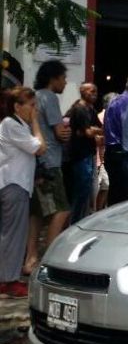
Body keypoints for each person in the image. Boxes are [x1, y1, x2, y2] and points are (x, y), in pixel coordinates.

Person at [25, 60, 71, 275]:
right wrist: (66, 131)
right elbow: (59, 132)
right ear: (53, 79)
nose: (65, 82)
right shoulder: (50, 97)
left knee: (37, 214)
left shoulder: (34, 97)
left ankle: (30, 258)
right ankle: (49, 259)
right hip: (51, 160)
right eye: (63, 78)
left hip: (36, 162)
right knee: (62, 209)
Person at [0, 87, 46, 298]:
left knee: (12, 233)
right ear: (17, 106)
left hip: (17, 184)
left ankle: (7, 277)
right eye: (32, 105)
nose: (34, 110)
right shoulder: (12, 124)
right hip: (14, 184)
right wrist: (36, 123)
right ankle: (9, 281)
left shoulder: (16, 125)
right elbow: (40, 147)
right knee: (14, 235)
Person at [65, 82, 103, 222]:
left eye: (96, 91)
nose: (94, 94)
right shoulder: (79, 109)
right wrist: (92, 131)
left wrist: (93, 131)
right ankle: (74, 223)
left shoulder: (90, 109)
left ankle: (80, 220)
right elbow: (88, 132)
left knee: (87, 191)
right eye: (91, 91)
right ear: (82, 92)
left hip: (89, 154)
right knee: (81, 192)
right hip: (80, 156)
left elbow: (100, 128)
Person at [104, 73, 128, 205]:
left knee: (117, 193)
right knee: (123, 196)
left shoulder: (117, 100)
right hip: (121, 153)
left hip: (114, 152)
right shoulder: (126, 102)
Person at [93, 92, 116, 211]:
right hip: (100, 158)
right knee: (99, 188)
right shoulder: (102, 117)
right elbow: (99, 138)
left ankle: (99, 211)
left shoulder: (109, 116)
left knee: (105, 187)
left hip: (104, 157)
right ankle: (95, 212)